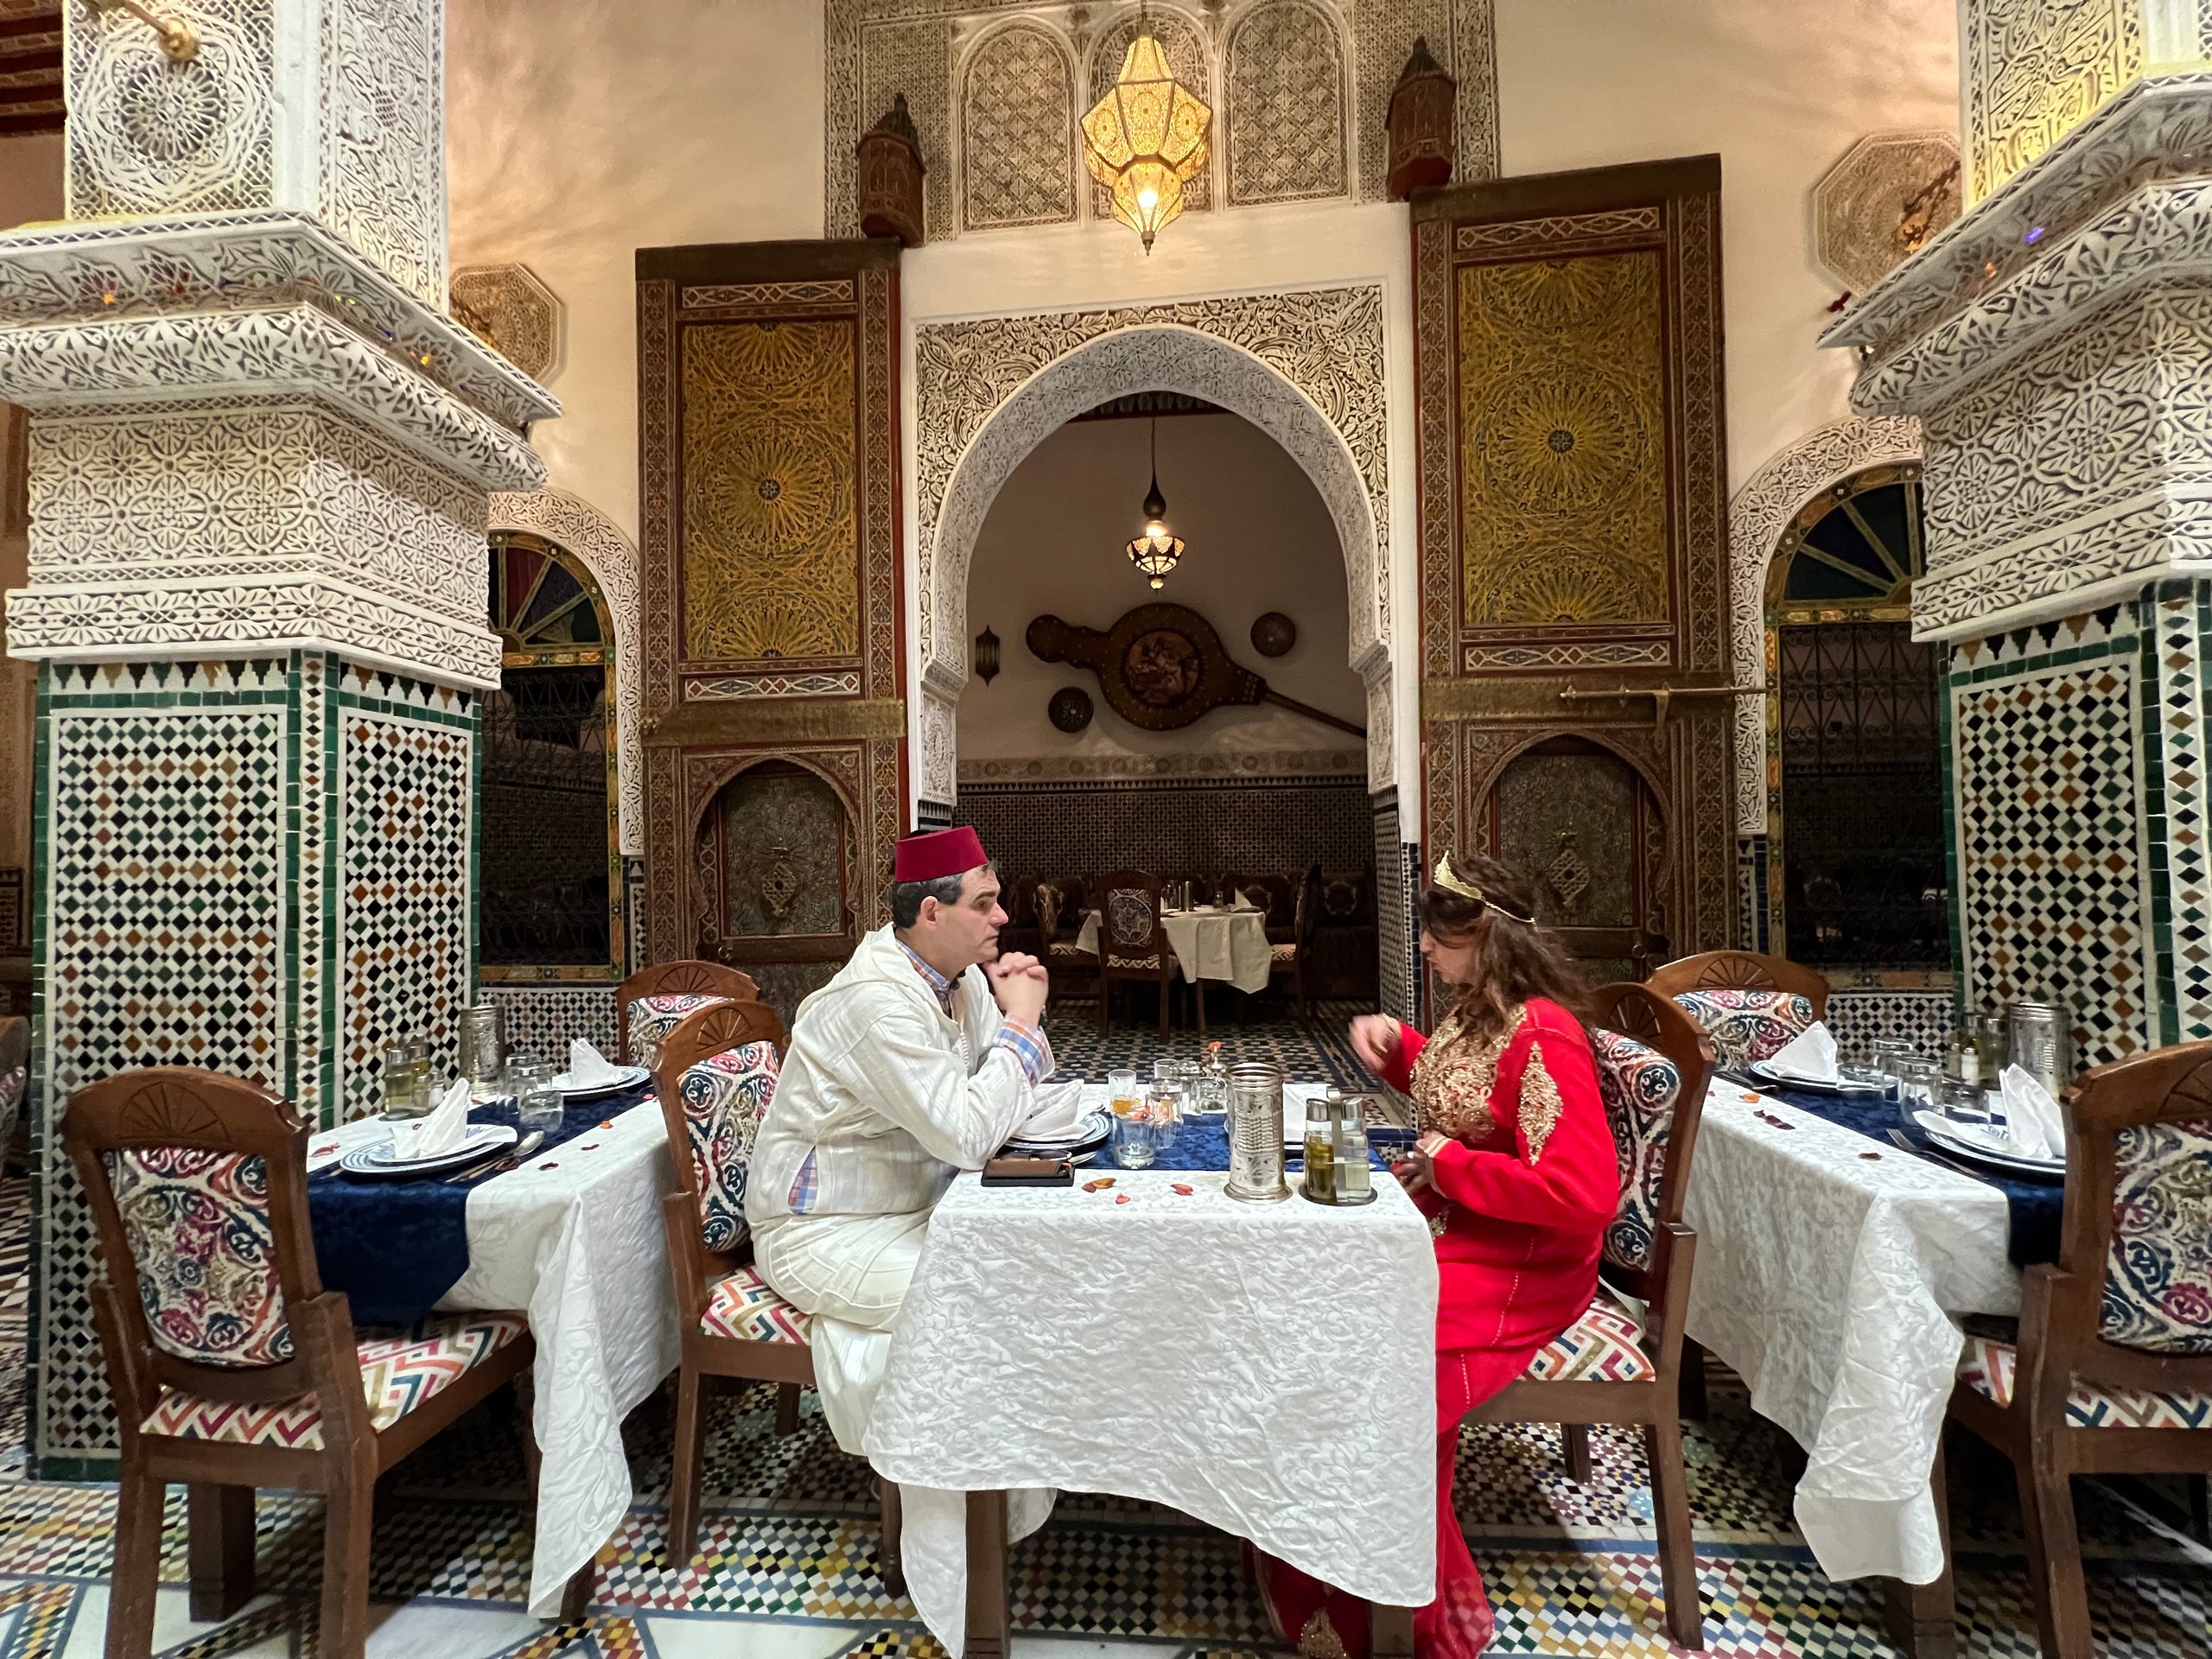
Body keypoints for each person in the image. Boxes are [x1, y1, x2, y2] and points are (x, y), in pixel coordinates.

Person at [1258, 851, 1620, 1659]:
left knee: (1374, 1369)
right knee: (1313, 1307)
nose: (1422, 946)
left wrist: (1450, 1166)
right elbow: (1475, 1098)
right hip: (1456, 1224)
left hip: (1523, 1262)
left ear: (1485, 935)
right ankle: (1324, 1558)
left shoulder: (1544, 1033)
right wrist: (1401, 1051)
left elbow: (1582, 1193)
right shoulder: (1478, 1011)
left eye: (1435, 933)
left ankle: (1384, 1607)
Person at [746, 825, 1052, 1453]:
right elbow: (969, 1134)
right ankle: (951, 1489)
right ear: (932, 913)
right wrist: (1022, 1018)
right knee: (985, 1296)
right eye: (985, 903)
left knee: (1036, 1267)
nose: (1003, 916)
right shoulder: (875, 1003)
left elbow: (1001, 1090)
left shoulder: (963, 979)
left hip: (921, 1203)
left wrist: (1013, 1028)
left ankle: (1006, 1480)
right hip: (824, 1231)